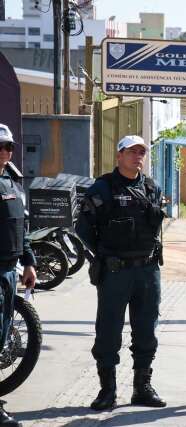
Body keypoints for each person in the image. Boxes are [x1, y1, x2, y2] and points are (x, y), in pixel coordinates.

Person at [75, 135, 166, 411]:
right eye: (132, 152)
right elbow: (83, 228)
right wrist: (104, 255)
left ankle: (142, 387)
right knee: (108, 332)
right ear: (119, 155)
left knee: (146, 331)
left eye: (141, 152)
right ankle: (108, 390)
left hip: (148, 271)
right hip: (116, 272)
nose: (137, 156)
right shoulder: (102, 188)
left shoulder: (151, 188)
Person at [0, 124, 37, 427]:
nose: (5, 152)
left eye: (9, 146)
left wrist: (29, 262)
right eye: (0, 146)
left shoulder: (12, 181)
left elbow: (20, 227)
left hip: (8, 270)